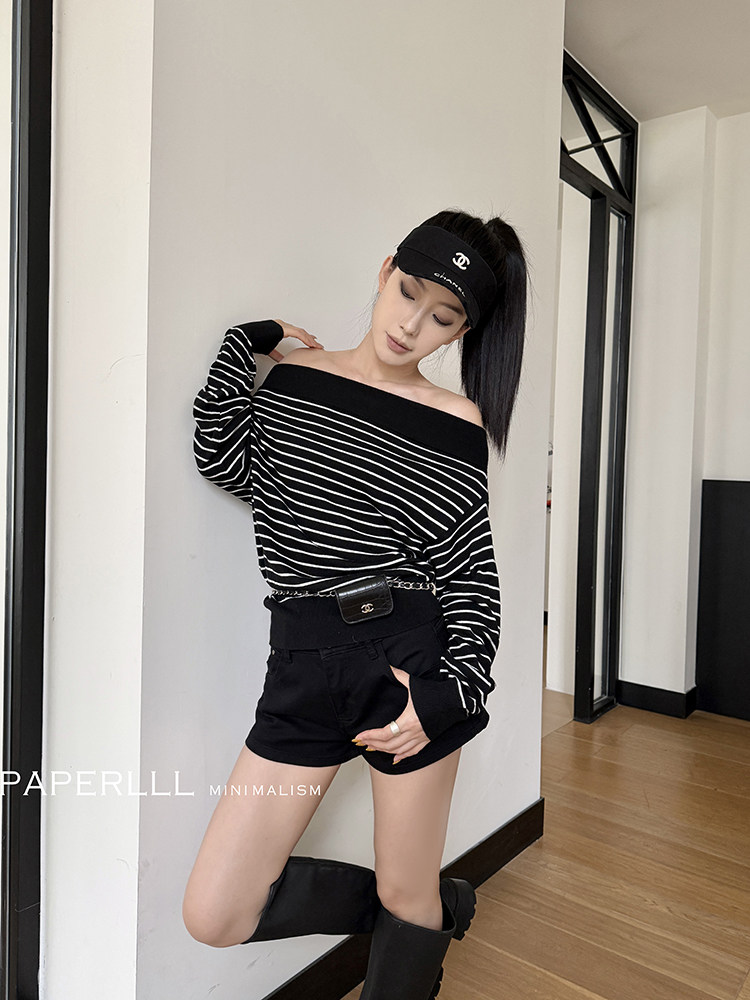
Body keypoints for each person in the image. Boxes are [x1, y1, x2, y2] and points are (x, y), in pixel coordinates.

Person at [182, 208, 529, 999]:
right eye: (407, 292)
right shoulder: (296, 380)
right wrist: (244, 343)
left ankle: (417, 914)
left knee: (406, 890)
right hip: (300, 662)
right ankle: (426, 914)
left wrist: (449, 695)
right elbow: (223, 459)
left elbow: (469, 573)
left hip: (406, 659)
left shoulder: (456, 423)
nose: (411, 325)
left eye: (442, 317)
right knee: (215, 912)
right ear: (384, 271)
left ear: (462, 331)